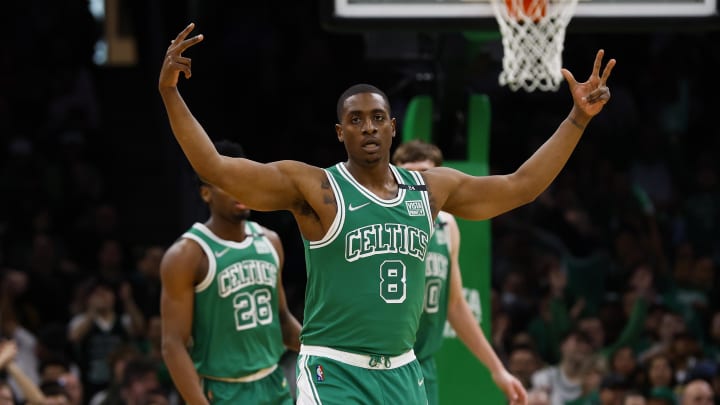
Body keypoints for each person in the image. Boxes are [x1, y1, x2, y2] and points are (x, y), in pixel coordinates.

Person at [158, 22, 614, 405]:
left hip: (402, 372)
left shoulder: (431, 189)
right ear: (341, 133)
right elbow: (214, 167)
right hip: (333, 371)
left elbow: (521, 187)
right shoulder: (317, 188)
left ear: (393, 126)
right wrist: (171, 95)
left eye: (377, 117)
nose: (368, 127)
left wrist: (576, 120)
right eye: (355, 120)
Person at [159, 139, 302, 405]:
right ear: (205, 194)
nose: (240, 189)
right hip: (223, 390)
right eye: (227, 182)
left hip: (275, 383)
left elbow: (282, 321)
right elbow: (173, 345)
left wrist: (329, 352)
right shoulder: (187, 255)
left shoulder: (270, 241)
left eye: (243, 179)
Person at [392, 140, 527, 404]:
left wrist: (497, 369)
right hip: (383, 364)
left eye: (425, 174)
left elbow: (454, 305)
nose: (416, 182)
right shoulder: (385, 221)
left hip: (422, 366)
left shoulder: (447, 225)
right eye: (408, 174)